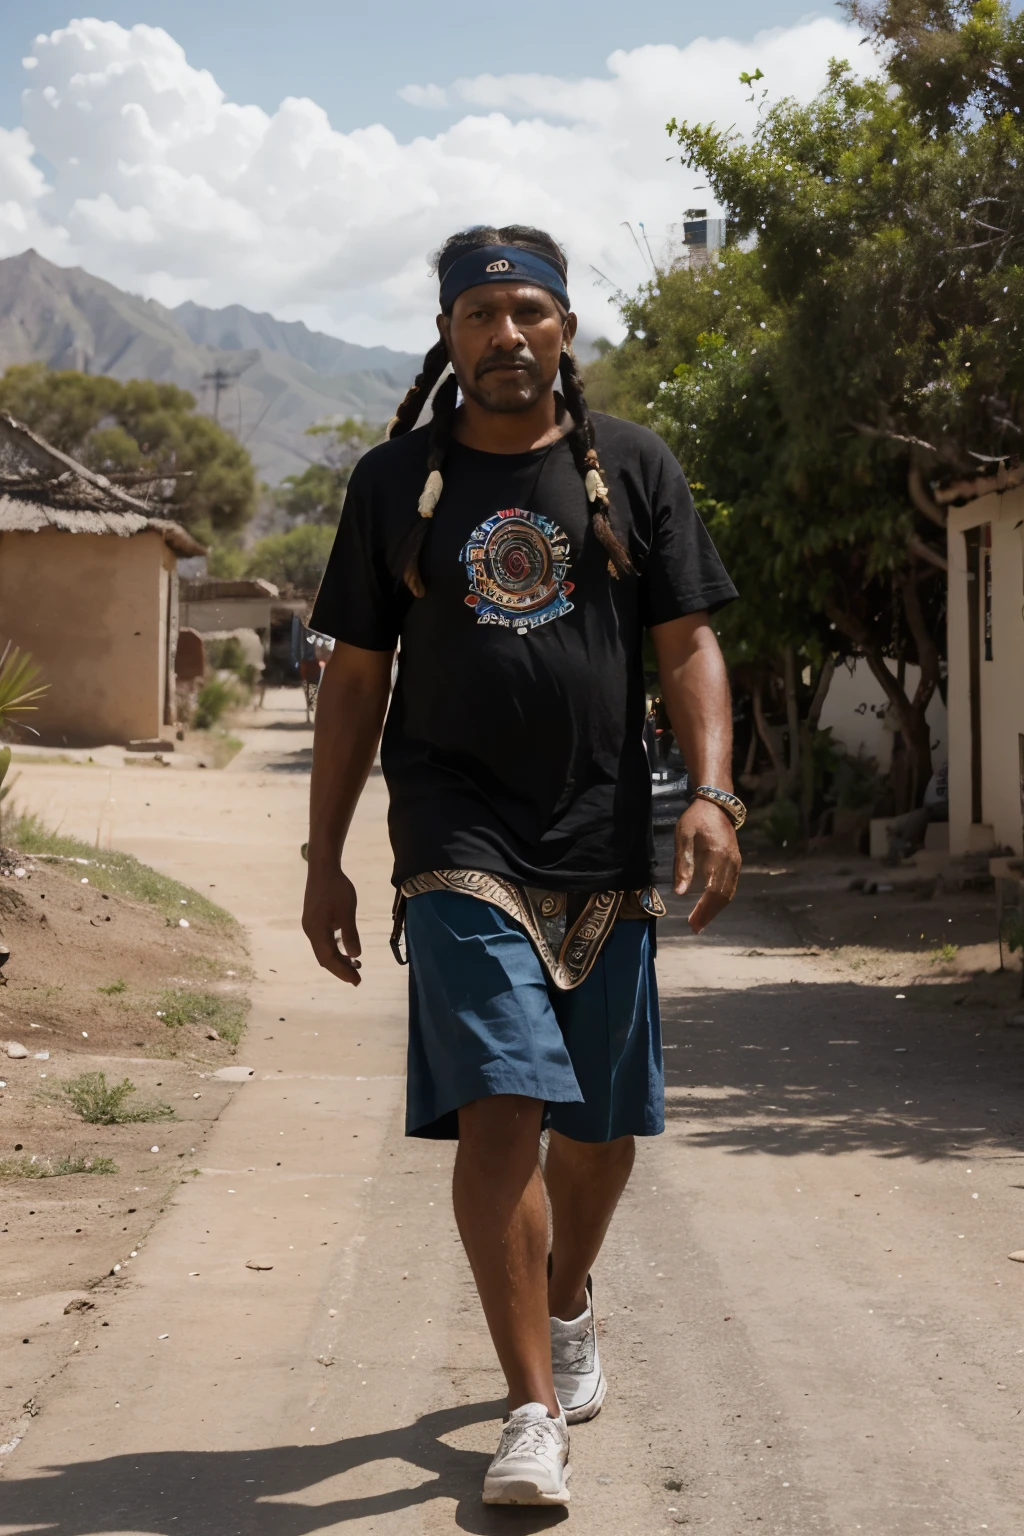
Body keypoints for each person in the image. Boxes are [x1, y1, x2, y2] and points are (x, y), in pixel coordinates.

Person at [302, 224, 743, 1507]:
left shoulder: (635, 469)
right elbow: (354, 681)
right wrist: (324, 858)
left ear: (564, 330)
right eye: (480, 313)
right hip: (454, 834)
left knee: (598, 1133)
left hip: (600, 835)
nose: (506, 336)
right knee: (503, 1098)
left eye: (529, 312)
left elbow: (688, 648)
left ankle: (565, 1297)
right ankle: (529, 1413)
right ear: (446, 335)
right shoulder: (396, 484)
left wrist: (710, 790)